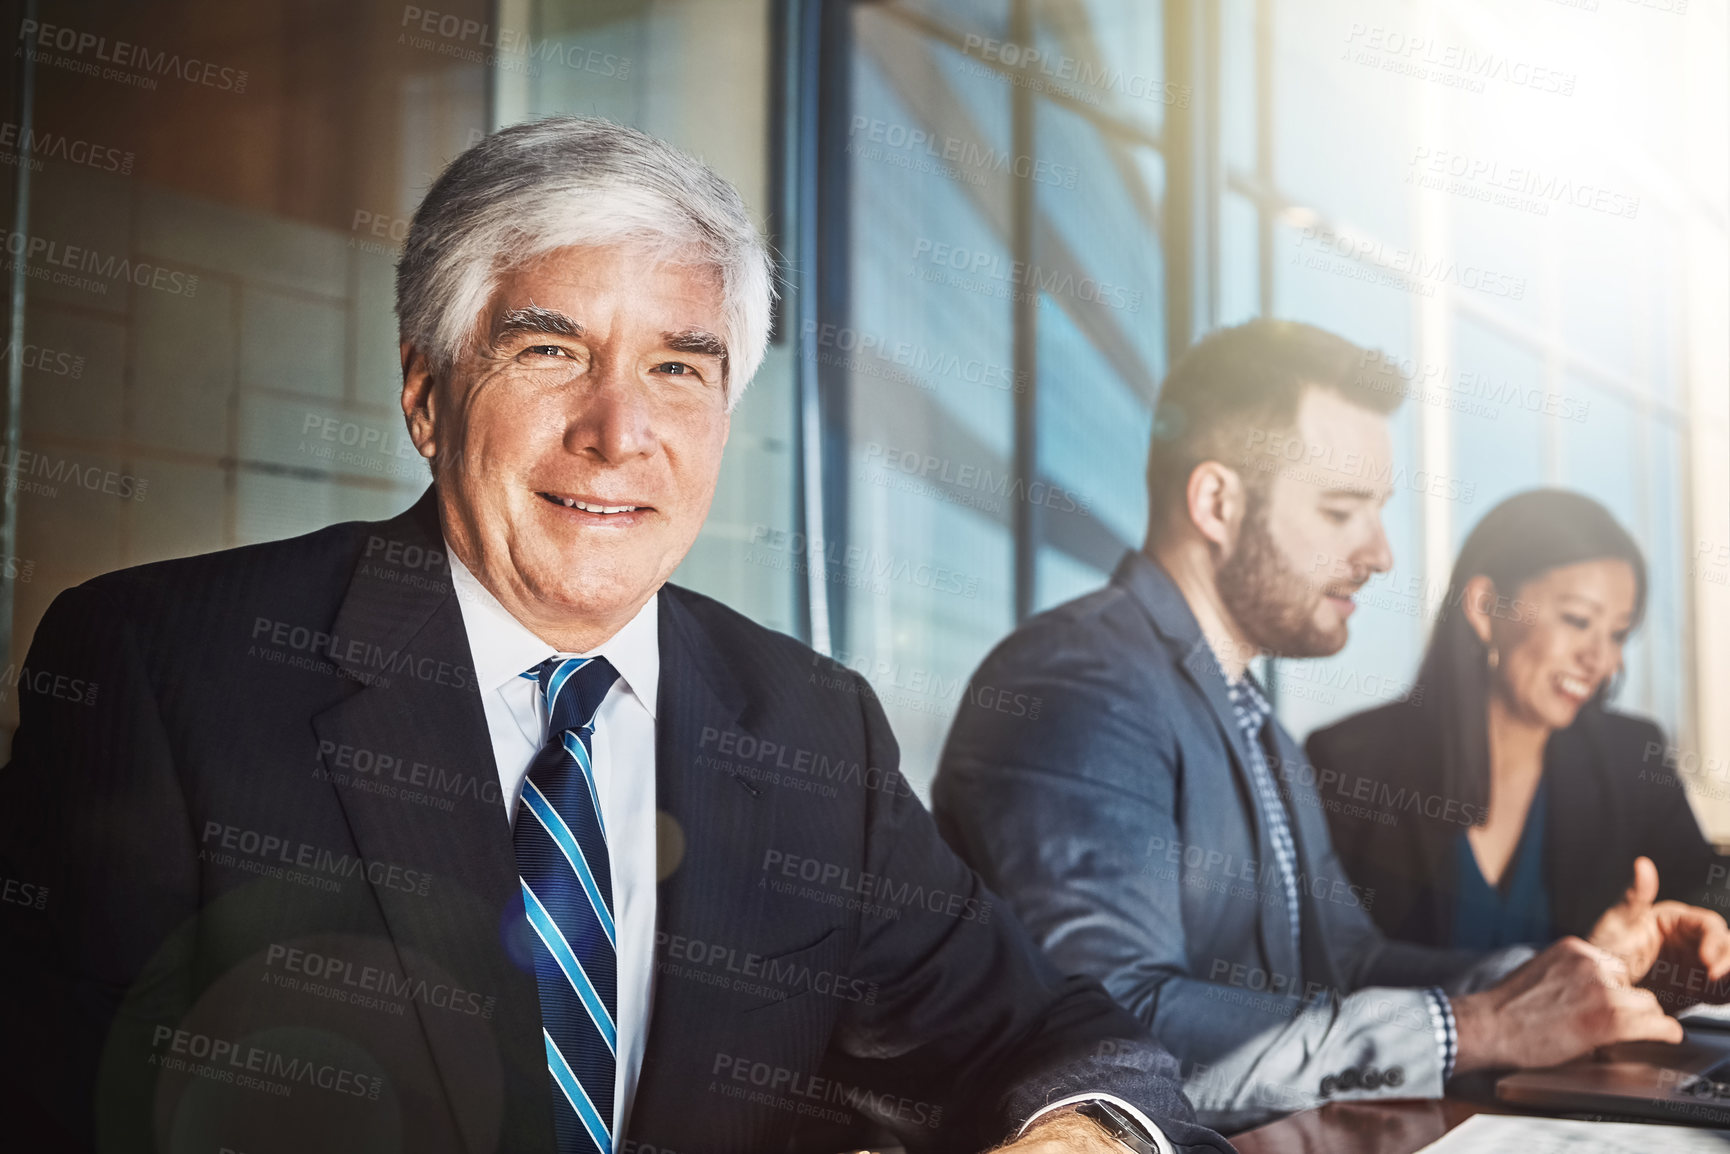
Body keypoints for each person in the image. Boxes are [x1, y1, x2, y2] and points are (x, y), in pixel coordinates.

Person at [0, 118, 1228, 1154]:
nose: (617, 429)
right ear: (426, 394)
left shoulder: (808, 726)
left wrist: (1086, 1132)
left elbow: (1057, 1032)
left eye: (678, 370)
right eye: (550, 351)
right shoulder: (163, 672)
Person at [931, 319, 1730, 1133]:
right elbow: (1109, 1035)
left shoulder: (1254, 722)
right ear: (1216, 502)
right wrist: (1480, 1029)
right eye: (1342, 510)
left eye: (1378, 512)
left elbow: (1349, 961)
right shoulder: (1079, 684)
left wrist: (1563, 981)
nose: (1381, 553)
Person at [1307, 489, 1722, 992]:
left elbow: (1706, 894)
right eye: (1577, 621)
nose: (1602, 660)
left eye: (1617, 633)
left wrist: (1693, 935)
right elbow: (1329, 967)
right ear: (1485, 607)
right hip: (1402, 1071)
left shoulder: (1630, 755)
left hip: (1589, 1072)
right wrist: (1577, 969)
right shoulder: (1350, 762)